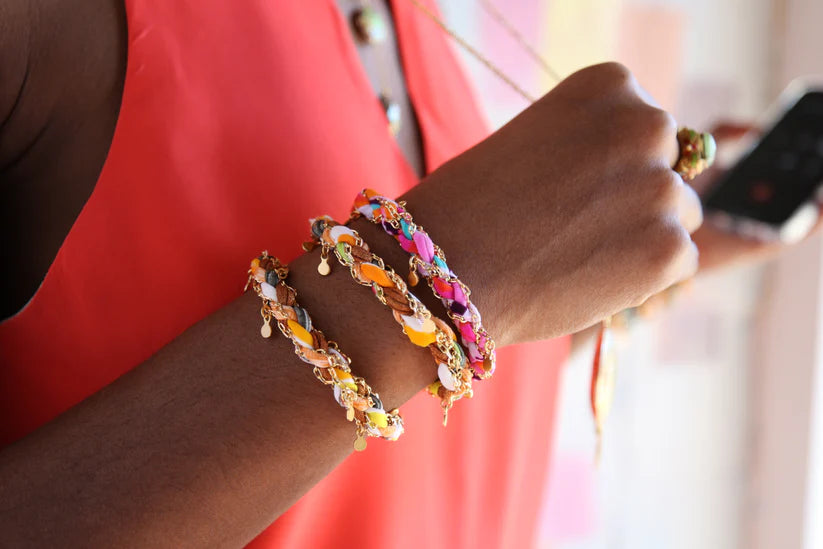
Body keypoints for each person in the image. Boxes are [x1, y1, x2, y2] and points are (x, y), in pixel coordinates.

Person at [0, 1, 807, 547]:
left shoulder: (421, 28)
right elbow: (438, 308)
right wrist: (443, 275)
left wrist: (626, 265)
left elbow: (433, 386)